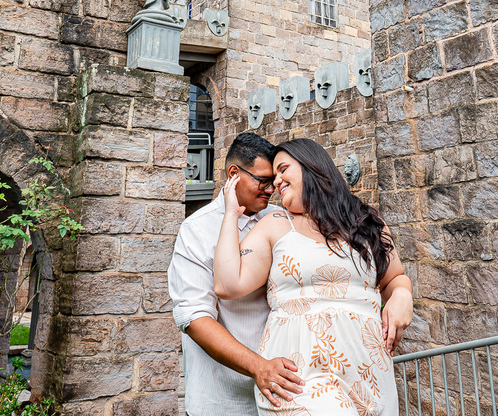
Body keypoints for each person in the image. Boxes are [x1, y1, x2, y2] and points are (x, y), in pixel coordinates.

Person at [215, 138, 413, 415]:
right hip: (301, 374)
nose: (277, 182)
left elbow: (395, 278)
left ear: (312, 167)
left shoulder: (368, 222)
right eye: (273, 177)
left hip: (370, 371)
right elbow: (227, 284)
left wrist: (403, 294)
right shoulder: (276, 225)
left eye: (283, 169)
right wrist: (231, 214)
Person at [168, 132, 306, 415]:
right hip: (223, 399)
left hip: (285, 395)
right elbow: (194, 317)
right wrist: (259, 367)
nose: (271, 189)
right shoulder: (196, 230)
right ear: (234, 173)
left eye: (274, 181)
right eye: (263, 181)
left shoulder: (280, 219)